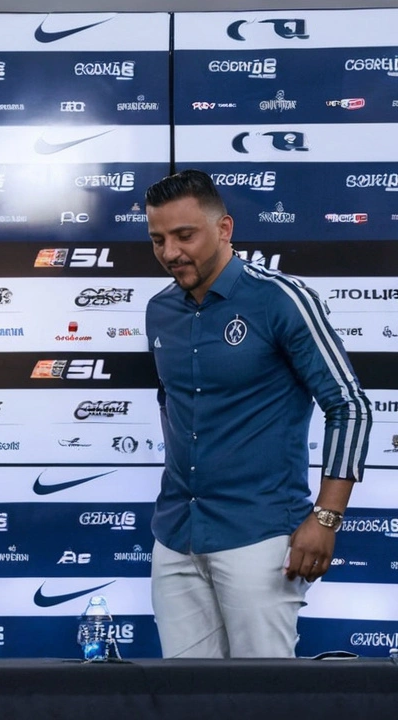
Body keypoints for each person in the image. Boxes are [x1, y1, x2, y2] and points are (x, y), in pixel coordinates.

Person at [144, 169, 372, 658]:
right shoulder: (158, 310)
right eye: (158, 239)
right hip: (175, 536)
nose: (170, 253)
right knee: (184, 701)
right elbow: (175, 406)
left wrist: (326, 518)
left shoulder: (281, 300)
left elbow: (349, 406)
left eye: (185, 236)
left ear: (224, 229)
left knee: (266, 699)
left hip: (260, 537)